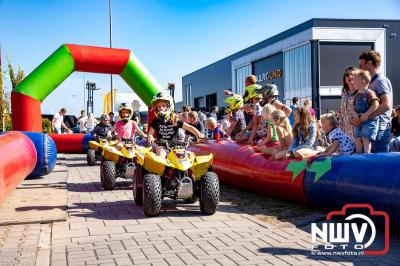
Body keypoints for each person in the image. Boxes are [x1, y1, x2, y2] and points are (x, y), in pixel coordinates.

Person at [148, 92, 205, 158]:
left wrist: (199, 134)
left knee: (184, 158)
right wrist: (150, 137)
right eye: (159, 106)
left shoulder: (175, 118)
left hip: (175, 145)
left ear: (169, 106)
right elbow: (150, 133)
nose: (161, 108)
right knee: (161, 155)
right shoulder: (156, 120)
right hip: (162, 145)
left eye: (163, 106)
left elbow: (188, 127)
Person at [359, 50, 393, 153]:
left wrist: (367, 116)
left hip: (380, 130)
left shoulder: (380, 81)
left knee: (380, 166)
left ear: (369, 63)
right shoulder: (372, 82)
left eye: (361, 65)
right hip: (373, 129)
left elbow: (386, 105)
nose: (360, 69)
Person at [352, 70, 379, 154]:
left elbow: (376, 104)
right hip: (359, 121)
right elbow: (353, 107)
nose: (353, 82)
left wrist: (367, 114)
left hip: (368, 121)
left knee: (365, 137)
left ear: (363, 81)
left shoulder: (370, 93)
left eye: (355, 81)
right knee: (357, 137)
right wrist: (355, 114)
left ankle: (367, 153)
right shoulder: (357, 95)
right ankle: (359, 153)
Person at [338, 66, 357, 140]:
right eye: (347, 75)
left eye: (352, 74)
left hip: (355, 125)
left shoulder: (360, 91)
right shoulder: (343, 92)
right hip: (344, 125)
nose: (350, 76)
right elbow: (342, 107)